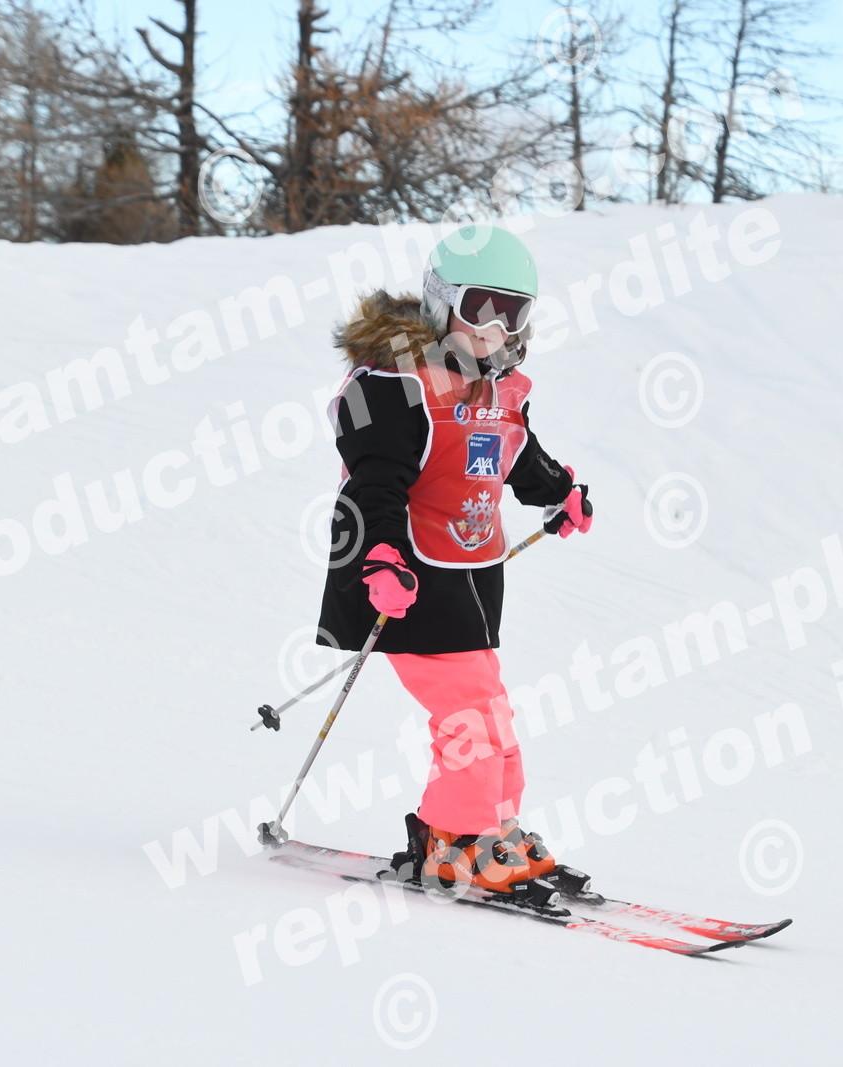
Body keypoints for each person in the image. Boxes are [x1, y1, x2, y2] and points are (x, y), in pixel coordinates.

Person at [316, 224, 594, 907]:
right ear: (442, 302)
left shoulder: (495, 389)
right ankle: (457, 840)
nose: (496, 329)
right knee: (468, 712)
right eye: (482, 309)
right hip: (405, 578)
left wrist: (559, 490)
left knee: (489, 710)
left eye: (513, 313)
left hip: (466, 576)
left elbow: (513, 452)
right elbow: (373, 483)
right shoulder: (395, 386)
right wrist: (381, 557)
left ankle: (491, 829)